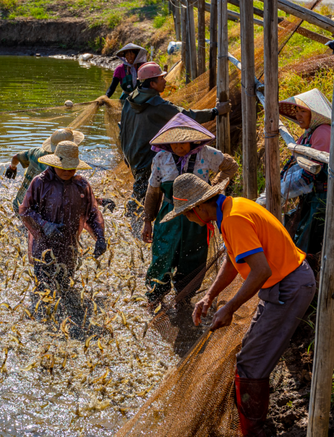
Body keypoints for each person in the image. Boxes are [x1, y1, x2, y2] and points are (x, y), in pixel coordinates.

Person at [163, 173, 316, 437]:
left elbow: (260, 271)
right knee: (249, 355)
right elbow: (235, 260)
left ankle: (254, 431)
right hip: (281, 285)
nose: (188, 220)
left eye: (186, 214)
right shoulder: (231, 209)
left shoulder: (233, 219)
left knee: (251, 363)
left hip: (289, 287)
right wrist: (211, 295)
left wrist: (230, 307)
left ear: (198, 208)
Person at [142, 113, 238, 303]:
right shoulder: (161, 158)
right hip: (169, 214)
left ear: (193, 140)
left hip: (198, 215)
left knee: (194, 256)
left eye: (183, 143)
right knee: (163, 256)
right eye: (174, 144)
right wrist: (147, 220)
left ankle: (184, 298)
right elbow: (153, 192)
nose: (178, 147)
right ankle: (155, 298)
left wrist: (212, 189)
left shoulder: (206, 153)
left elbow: (231, 166)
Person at [118, 61, 231, 225]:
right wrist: (215, 112)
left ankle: (136, 228)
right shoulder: (157, 105)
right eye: (161, 79)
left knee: (143, 194)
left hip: (133, 158)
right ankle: (139, 231)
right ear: (152, 83)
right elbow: (186, 117)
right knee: (145, 198)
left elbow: (123, 131)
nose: (165, 81)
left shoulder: (130, 100)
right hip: (148, 158)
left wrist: (126, 156)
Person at [19, 141, 106, 305]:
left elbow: (92, 212)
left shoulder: (81, 185)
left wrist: (100, 238)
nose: (67, 172)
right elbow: (25, 210)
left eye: (71, 168)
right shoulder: (40, 183)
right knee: (43, 288)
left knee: (64, 286)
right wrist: (46, 226)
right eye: (63, 168)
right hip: (44, 245)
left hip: (68, 246)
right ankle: (43, 321)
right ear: (55, 164)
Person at [277, 89, 331, 257]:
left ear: (314, 114)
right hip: (312, 195)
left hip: (324, 197)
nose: (298, 116)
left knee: (306, 240)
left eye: (303, 111)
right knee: (297, 232)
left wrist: (284, 188)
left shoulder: (323, 132)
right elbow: (293, 163)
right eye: (297, 111)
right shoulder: (308, 133)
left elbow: (313, 171)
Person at [5, 128, 84, 214]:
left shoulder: (35, 152)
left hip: (18, 204)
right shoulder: (61, 169)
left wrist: (12, 168)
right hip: (35, 214)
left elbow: (15, 157)